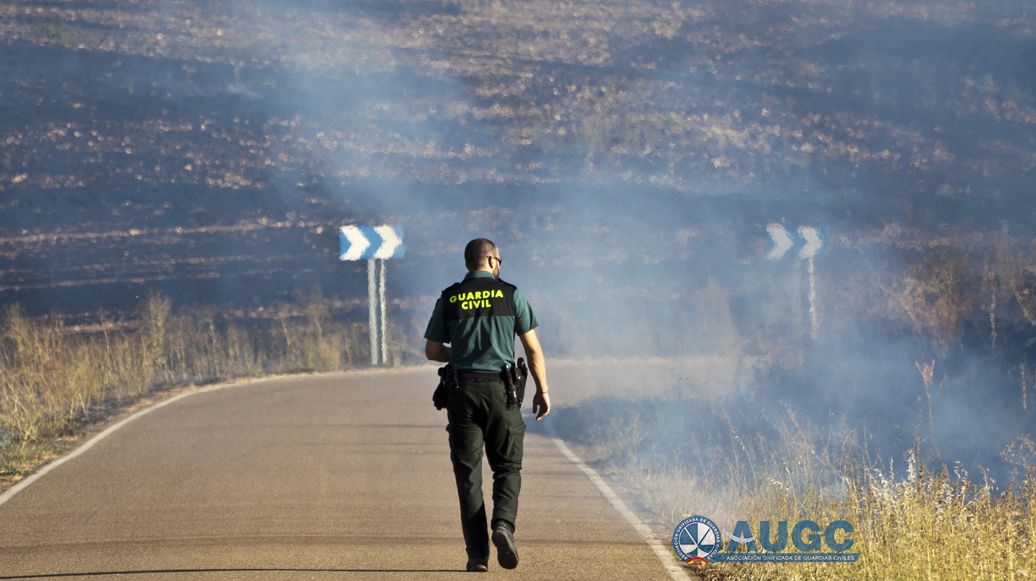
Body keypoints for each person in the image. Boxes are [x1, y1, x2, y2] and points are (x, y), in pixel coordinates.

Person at [424, 238, 551, 573]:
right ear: (493, 261)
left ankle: (477, 556)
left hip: (461, 390)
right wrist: (543, 390)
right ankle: (503, 526)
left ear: (469, 263)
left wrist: (461, 357)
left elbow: (433, 350)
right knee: (507, 467)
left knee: (468, 476)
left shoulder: (450, 296)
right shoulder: (511, 295)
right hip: (501, 391)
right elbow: (533, 350)